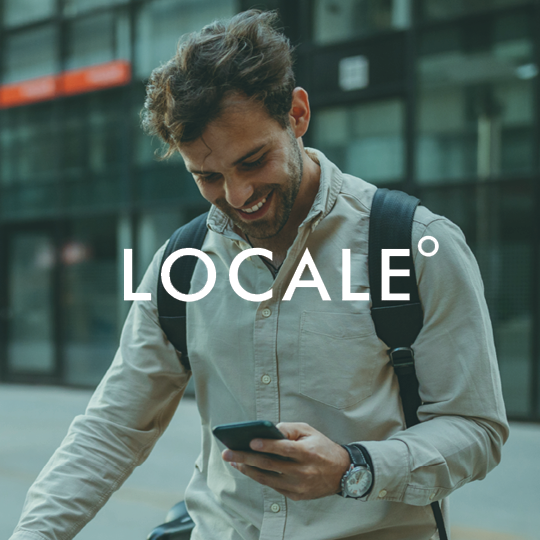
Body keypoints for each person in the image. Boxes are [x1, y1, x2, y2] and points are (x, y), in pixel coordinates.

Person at [10, 9, 508, 540]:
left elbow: (476, 429)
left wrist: (354, 467)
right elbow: (111, 430)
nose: (237, 196)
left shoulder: (414, 243)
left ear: (296, 114)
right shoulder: (183, 263)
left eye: (252, 160)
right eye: (207, 176)